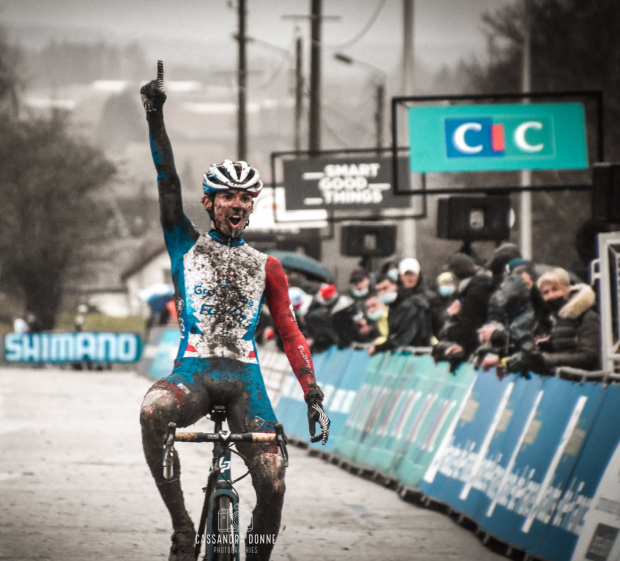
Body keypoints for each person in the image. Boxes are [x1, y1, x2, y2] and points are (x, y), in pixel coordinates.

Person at [138, 62, 329, 561]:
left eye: (247, 197)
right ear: (209, 201)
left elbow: (290, 333)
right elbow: (165, 181)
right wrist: (155, 116)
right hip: (194, 374)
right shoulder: (184, 244)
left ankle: (258, 554)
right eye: (228, 196)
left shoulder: (267, 266)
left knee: (274, 484)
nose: (238, 204)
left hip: (247, 381)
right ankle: (183, 529)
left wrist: (312, 393)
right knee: (153, 411)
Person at [506, 267, 601, 374]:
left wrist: (545, 359)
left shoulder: (587, 317)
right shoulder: (555, 318)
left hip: (584, 383)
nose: (551, 296)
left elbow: (590, 357)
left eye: (555, 289)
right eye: (546, 292)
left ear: (566, 289)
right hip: (564, 380)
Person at [432, 253, 495, 370]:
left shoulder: (472, 294)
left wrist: (450, 319)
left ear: (455, 276)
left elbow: (469, 327)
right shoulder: (470, 290)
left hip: (475, 354)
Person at [369, 272, 432, 354]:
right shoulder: (393, 307)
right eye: (379, 290)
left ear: (395, 287)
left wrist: (379, 348)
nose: (382, 293)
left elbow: (403, 338)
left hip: (415, 357)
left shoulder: (409, 305)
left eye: (385, 288)